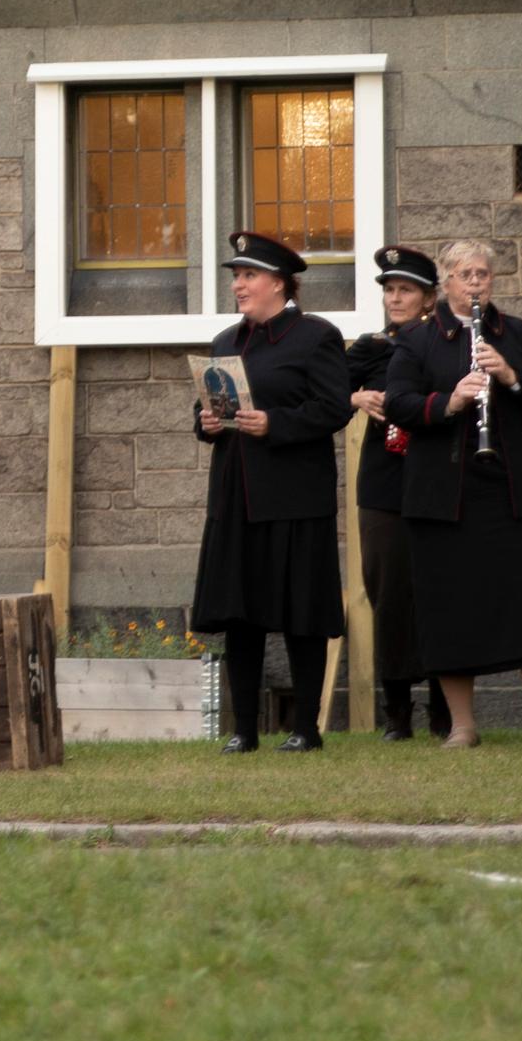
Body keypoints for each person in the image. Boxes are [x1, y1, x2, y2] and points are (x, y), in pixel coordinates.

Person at [384, 239, 522, 748]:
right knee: (448, 609)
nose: (475, 283)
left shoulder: (517, 333)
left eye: (483, 274)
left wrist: (513, 376)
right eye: (465, 275)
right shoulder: (417, 341)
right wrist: (449, 401)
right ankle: (463, 726)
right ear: (444, 283)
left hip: (506, 489)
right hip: (441, 495)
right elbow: (398, 401)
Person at [190, 230, 354, 753]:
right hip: (236, 496)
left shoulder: (315, 336)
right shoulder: (225, 342)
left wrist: (274, 423)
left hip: (293, 497)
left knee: (300, 610)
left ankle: (305, 728)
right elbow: (208, 409)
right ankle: (243, 731)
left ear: (279, 284)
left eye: (248, 276)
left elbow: (334, 407)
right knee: (242, 612)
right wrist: (206, 424)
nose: (239, 285)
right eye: (237, 277)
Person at [347, 244, 445, 740]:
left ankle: (446, 710)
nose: (395, 297)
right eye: (389, 289)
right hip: (384, 485)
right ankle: (398, 712)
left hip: (435, 478)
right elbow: (324, 396)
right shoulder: (371, 348)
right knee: (388, 593)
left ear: (429, 296)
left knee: (439, 590)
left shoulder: (444, 344)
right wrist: (355, 395)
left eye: (405, 289)